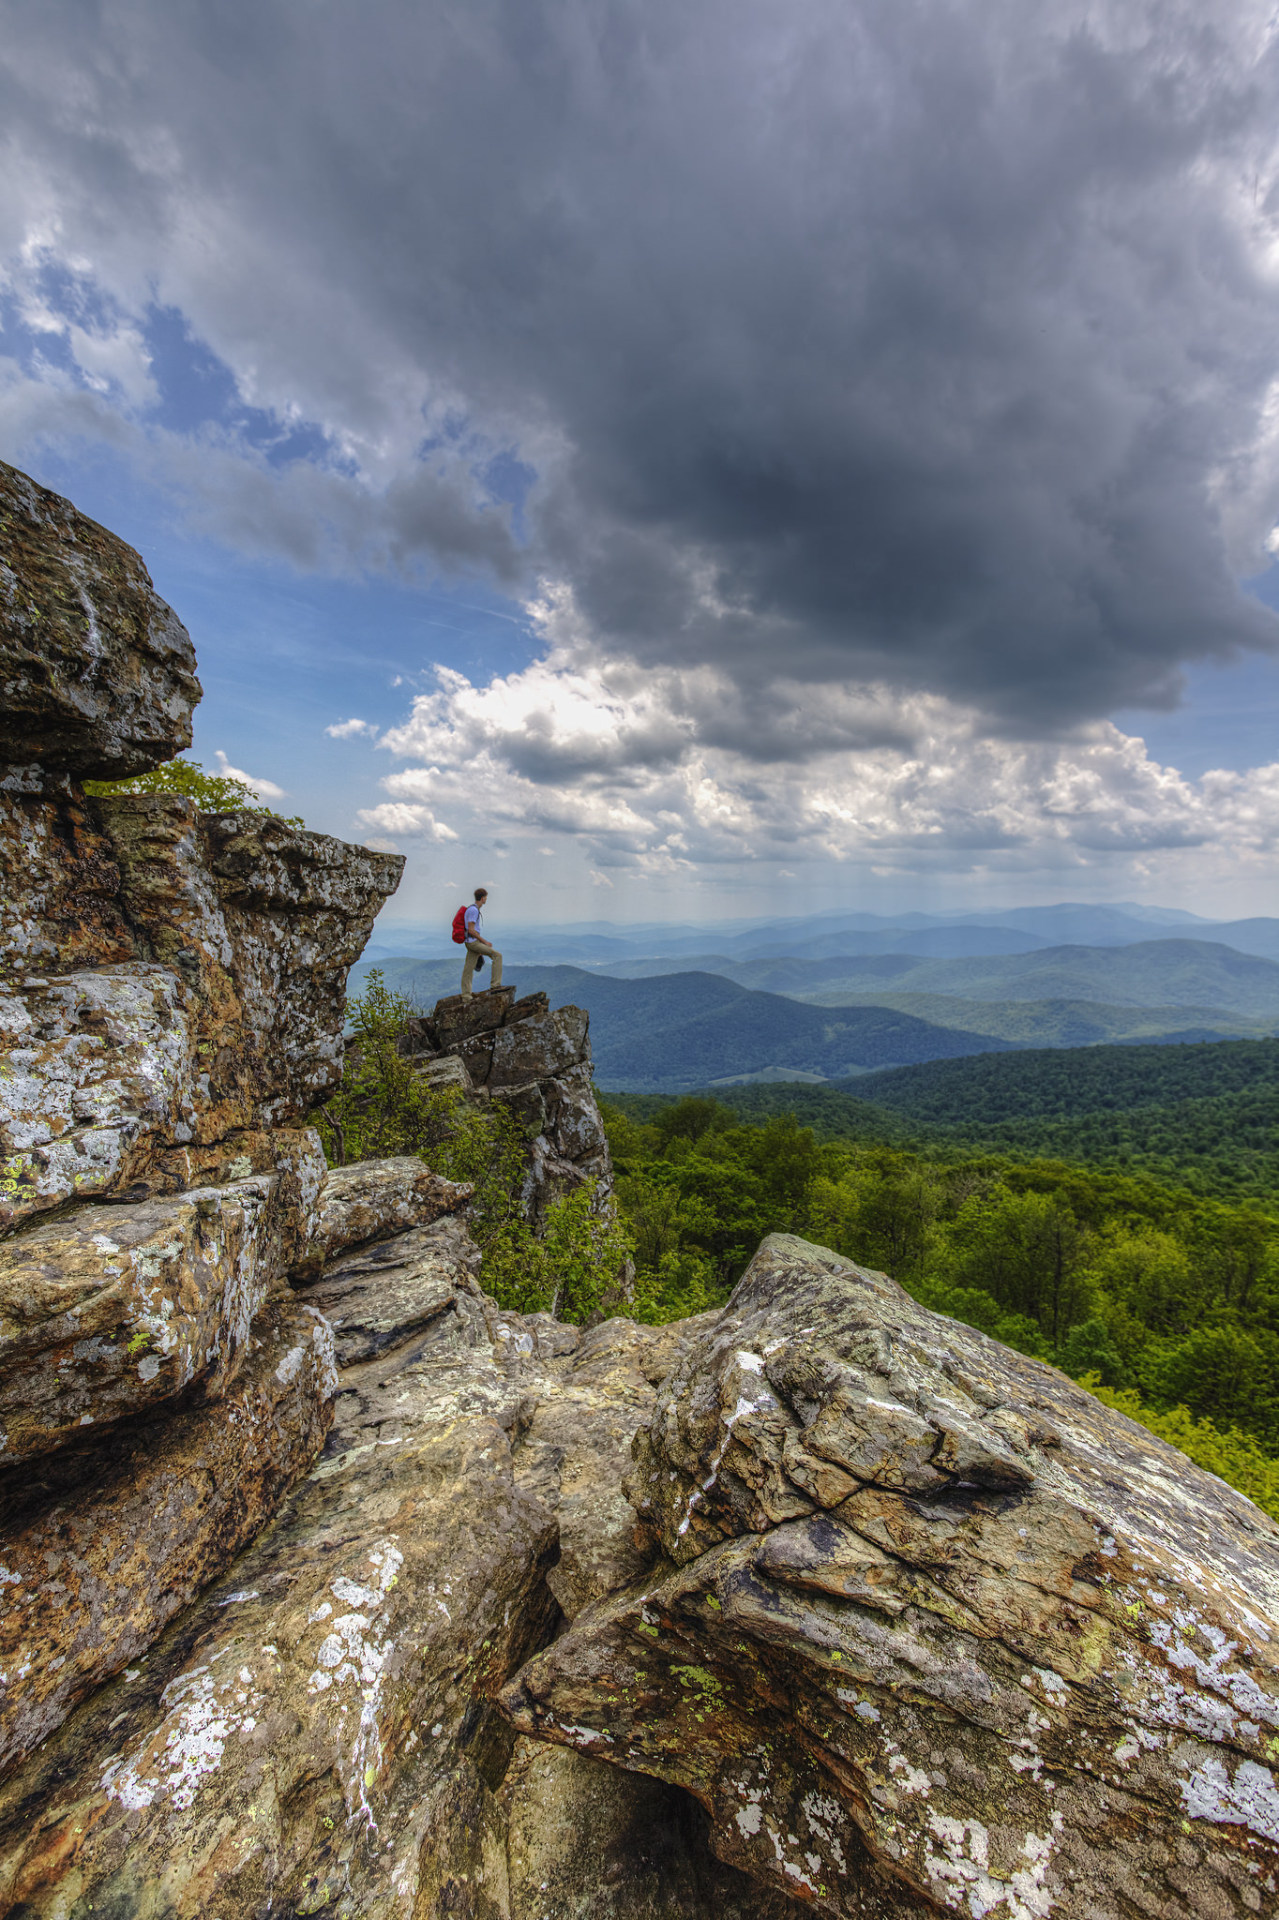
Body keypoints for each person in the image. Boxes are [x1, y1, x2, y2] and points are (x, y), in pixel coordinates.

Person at [460, 886, 503, 996]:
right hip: (473, 942)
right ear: (482, 898)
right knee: (497, 956)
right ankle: (496, 985)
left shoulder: (472, 909)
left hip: (470, 942)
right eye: (486, 897)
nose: (486, 899)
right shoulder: (474, 910)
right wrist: (484, 942)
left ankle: (466, 995)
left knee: (468, 969)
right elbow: (471, 930)